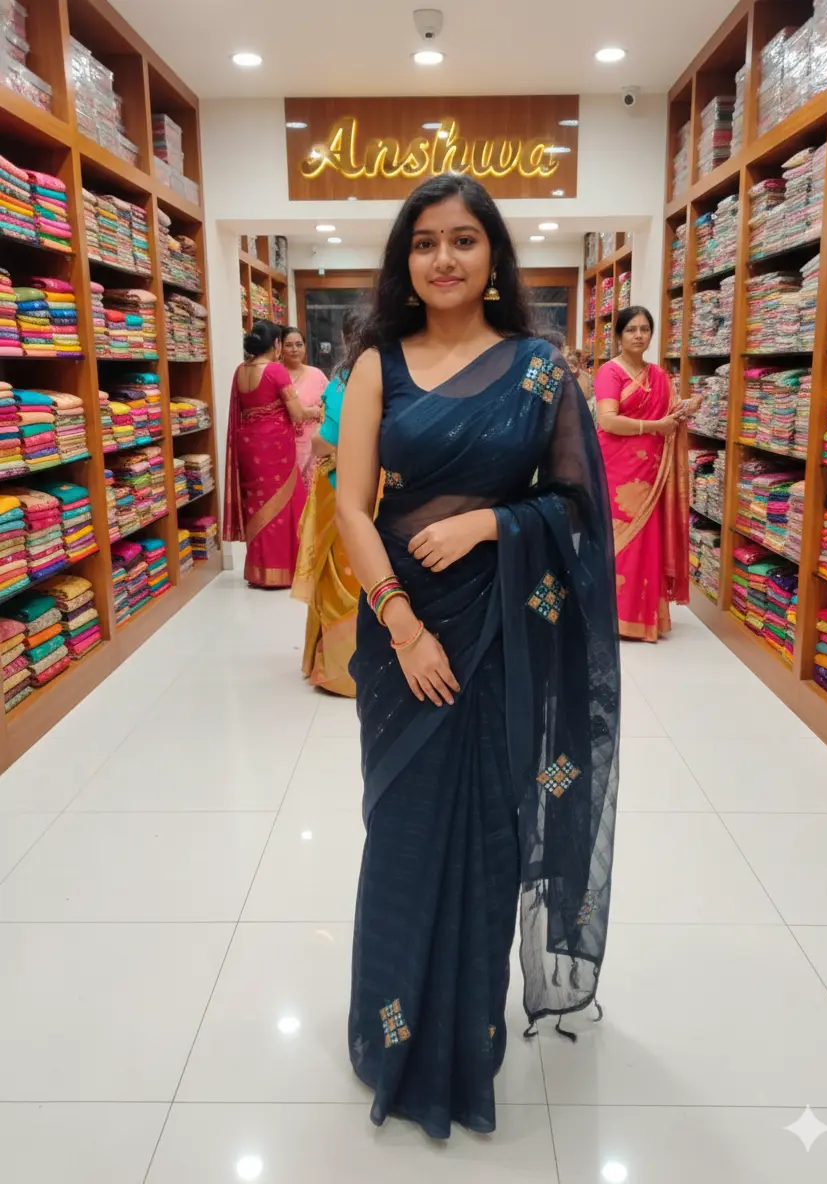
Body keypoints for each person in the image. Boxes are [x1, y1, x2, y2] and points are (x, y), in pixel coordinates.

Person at [336, 173, 621, 1139]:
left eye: (463, 239)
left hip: (503, 627)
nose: (444, 258)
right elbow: (351, 508)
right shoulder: (377, 365)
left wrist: (493, 524)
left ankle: (467, 1039)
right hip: (401, 635)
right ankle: (390, 1037)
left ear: (493, 253)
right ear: (404, 261)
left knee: (494, 829)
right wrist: (401, 623)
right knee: (403, 828)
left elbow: (578, 507)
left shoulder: (541, 369)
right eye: (424, 242)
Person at [594, 306, 692, 641]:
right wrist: (655, 426)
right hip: (617, 471)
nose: (638, 335)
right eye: (631, 329)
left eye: (645, 329)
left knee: (647, 541)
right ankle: (614, 616)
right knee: (619, 541)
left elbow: (667, 417)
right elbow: (607, 420)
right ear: (618, 335)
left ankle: (645, 616)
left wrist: (683, 409)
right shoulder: (610, 372)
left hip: (652, 471)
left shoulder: (660, 375)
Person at [292, 309, 365, 696]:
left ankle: (341, 669)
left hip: (341, 486)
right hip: (381, 486)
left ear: (344, 339)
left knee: (341, 570)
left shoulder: (344, 381)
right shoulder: (398, 377)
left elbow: (325, 442)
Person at [223, 320, 317, 588]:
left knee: (256, 504)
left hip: (248, 446)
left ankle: (259, 572)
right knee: (285, 505)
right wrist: (316, 411)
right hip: (274, 448)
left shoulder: (240, 370)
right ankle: (285, 570)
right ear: (276, 344)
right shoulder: (276, 370)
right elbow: (297, 413)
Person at [281, 326, 327, 491]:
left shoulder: (316, 374)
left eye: (299, 344)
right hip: (285, 444)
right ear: (280, 347)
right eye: (289, 345)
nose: (295, 349)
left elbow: (329, 405)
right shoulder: (277, 375)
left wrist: (319, 412)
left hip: (313, 444)